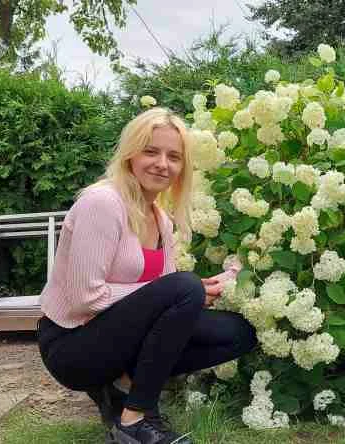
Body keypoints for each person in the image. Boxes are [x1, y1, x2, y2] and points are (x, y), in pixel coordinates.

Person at [37, 108, 257, 444]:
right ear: (130, 155)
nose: (162, 164)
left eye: (174, 157)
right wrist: (181, 289)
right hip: (72, 346)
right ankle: (135, 419)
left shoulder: (160, 219)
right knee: (184, 287)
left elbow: (165, 305)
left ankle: (121, 386)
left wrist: (216, 283)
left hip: (120, 339)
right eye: (151, 151)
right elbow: (85, 297)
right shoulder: (102, 203)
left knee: (238, 333)